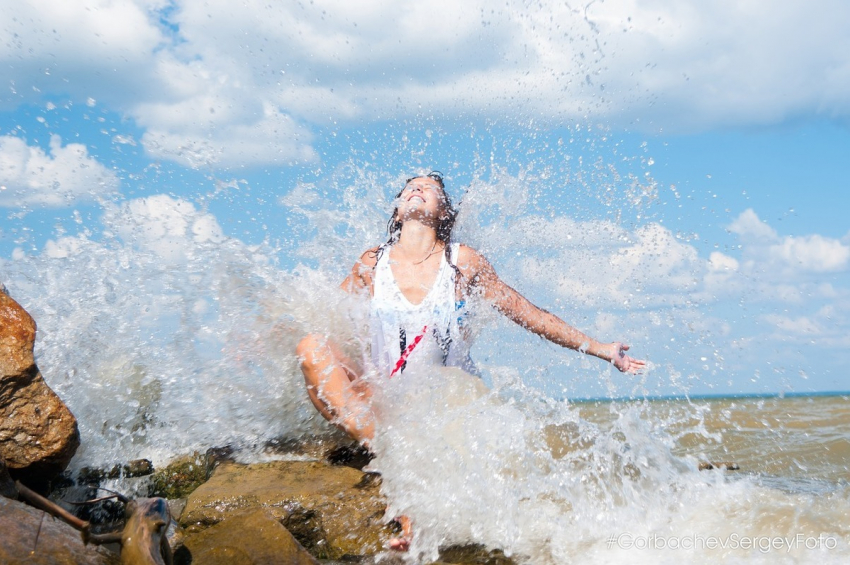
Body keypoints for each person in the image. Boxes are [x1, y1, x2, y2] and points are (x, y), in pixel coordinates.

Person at [296, 171, 645, 550]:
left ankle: (407, 491)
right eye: (410, 186)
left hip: (441, 411)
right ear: (397, 212)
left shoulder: (461, 262)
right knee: (311, 346)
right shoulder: (370, 263)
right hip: (381, 407)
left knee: (423, 398)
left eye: (430, 189)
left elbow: (529, 314)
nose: (418, 188)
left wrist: (601, 349)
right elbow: (327, 319)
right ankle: (394, 458)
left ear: (444, 211)